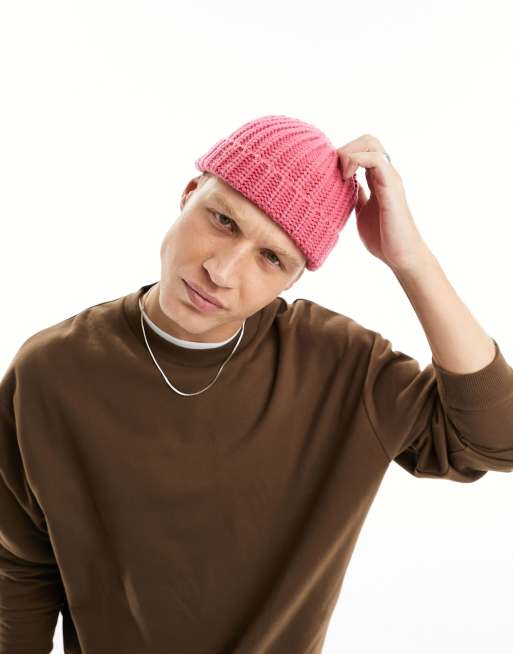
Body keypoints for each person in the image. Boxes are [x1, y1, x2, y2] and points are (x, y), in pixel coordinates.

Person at [1, 114, 512, 654]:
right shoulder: (51, 371)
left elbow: (497, 441)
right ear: (189, 193)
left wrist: (412, 262)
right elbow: (18, 566)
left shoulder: (341, 367)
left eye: (271, 258)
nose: (221, 271)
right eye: (223, 220)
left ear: (293, 278)